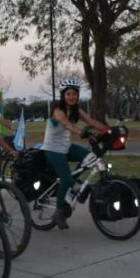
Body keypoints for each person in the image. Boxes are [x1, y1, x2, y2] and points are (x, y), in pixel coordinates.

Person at [41, 79, 109, 230]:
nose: (72, 97)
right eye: (69, 94)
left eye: (74, 94)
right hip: (52, 149)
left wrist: (109, 131)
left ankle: (74, 186)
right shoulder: (57, 110)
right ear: (63, 95)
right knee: (65, 179)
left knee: (91, 157)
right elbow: (66, 123)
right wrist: (81, 132)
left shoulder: (76, 110)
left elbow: (91, 121)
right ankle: (59, 212)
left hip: (66, 147)